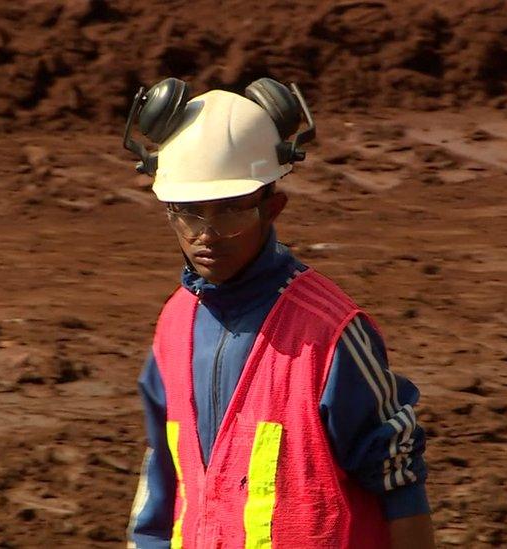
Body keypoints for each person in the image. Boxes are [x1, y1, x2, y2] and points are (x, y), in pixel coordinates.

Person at [121, 77, 435, 549]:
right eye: (188, 212)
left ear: (273, 208)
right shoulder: (174, 326)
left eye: (230, 211)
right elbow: (163, 478)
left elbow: (399, 484)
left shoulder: (330, 335)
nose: (207, 235)